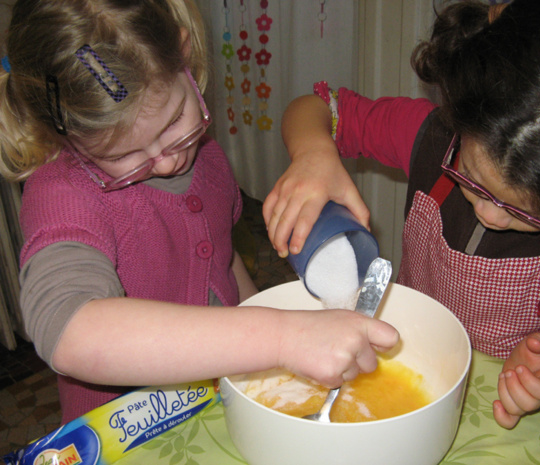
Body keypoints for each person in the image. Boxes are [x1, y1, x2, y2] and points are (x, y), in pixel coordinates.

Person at [0, 0, 399, 424]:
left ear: (184, 55)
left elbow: (222, 264)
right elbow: (69, 331)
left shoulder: (206, 159)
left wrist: (267, 332)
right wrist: (282, 337)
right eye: (127, 155)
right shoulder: (62, 192)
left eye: (175, 123)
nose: (168, 160)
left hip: (216, 410)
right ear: (70, 137)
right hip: (128, 439)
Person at [263, 0, 540, 429]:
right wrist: (312, 152)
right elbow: (317, 108)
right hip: (407, 357)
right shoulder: (431, 137)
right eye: (470, 175)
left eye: (527, 213)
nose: (489, 213)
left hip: (504, 407)